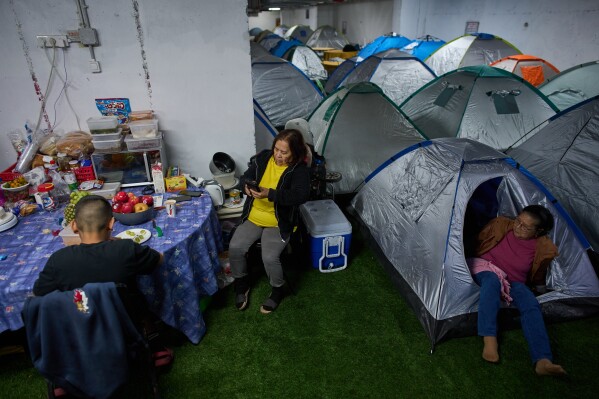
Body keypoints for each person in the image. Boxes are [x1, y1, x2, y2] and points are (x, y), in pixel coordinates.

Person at [468, 205, 567, 376]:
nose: (518, 227)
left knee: (530, 303)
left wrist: (540, 289)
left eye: (525, 226)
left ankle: (542, 360)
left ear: (538, 231)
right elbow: (476, 241)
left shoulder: (543, 247)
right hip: (486, 268)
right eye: (518, 221)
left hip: (513, 281)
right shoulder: (502, 225)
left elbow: (538, 274)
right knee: (492, 282)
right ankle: (489, 338)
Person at [33, 195, 163, 323]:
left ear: (73, 226)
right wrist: (119, 241)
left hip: (82, 331)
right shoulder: (125, 249)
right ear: (111, 223)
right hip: (127, 326)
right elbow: (159, 259)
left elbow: (39, 294)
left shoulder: (58, 260)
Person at [229, 129, 311, 314]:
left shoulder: (299, 171)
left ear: (295, 153)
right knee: (235, 247)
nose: (278, 155)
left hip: (278, 221)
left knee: (269, 256)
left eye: (284, 152)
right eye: (276, 149)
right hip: (254, 216)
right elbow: (244, 178)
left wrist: (271, 194)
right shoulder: (264, 158)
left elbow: (301, 196)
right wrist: (246, 187)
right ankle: (242, 283)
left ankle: (277, 290)